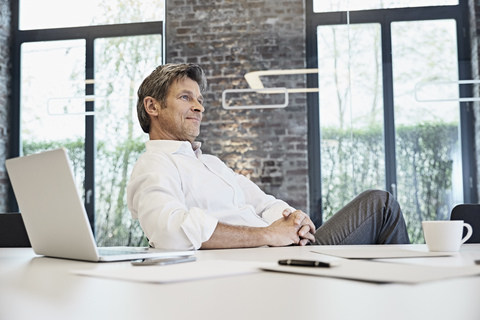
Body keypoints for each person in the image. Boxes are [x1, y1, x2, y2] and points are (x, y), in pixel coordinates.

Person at [127, 63, 410, 250]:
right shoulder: (154, 164)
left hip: (288, 251)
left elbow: (265, 203)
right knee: (379, 204)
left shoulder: (210, 163)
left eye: (200, 100)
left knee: (379, 204)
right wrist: (267, 235)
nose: (199, 108)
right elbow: (168, 231)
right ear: (153, 106)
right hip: (268, 263)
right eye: (186, 98)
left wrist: (292, 220)